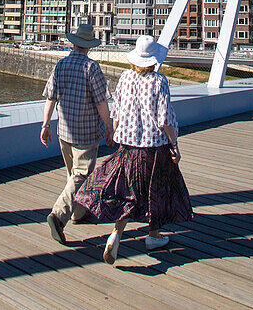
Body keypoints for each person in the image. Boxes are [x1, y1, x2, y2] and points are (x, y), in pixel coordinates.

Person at [75, 35, 194, 265]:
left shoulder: (125, 77)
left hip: (128, 147)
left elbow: (117, 110)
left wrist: (114, 133)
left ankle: (116, 235)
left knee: (127, 192)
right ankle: (153, 235)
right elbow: (165, 118)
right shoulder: (159, 82)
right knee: (156, 191)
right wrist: (175, 145)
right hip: (153, 148)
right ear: (153, 60)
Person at [39, 23, 115, 246]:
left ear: (74, 43)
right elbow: (102, 102)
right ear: (89, 46)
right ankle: (58, 215)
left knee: (73, 175)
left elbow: (50, 98)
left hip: (64, 132)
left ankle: (78, 213)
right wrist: (109, 127)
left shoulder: (60, 65)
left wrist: (45, 125)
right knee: (81, 175)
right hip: (86, 133)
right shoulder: (92, 68)